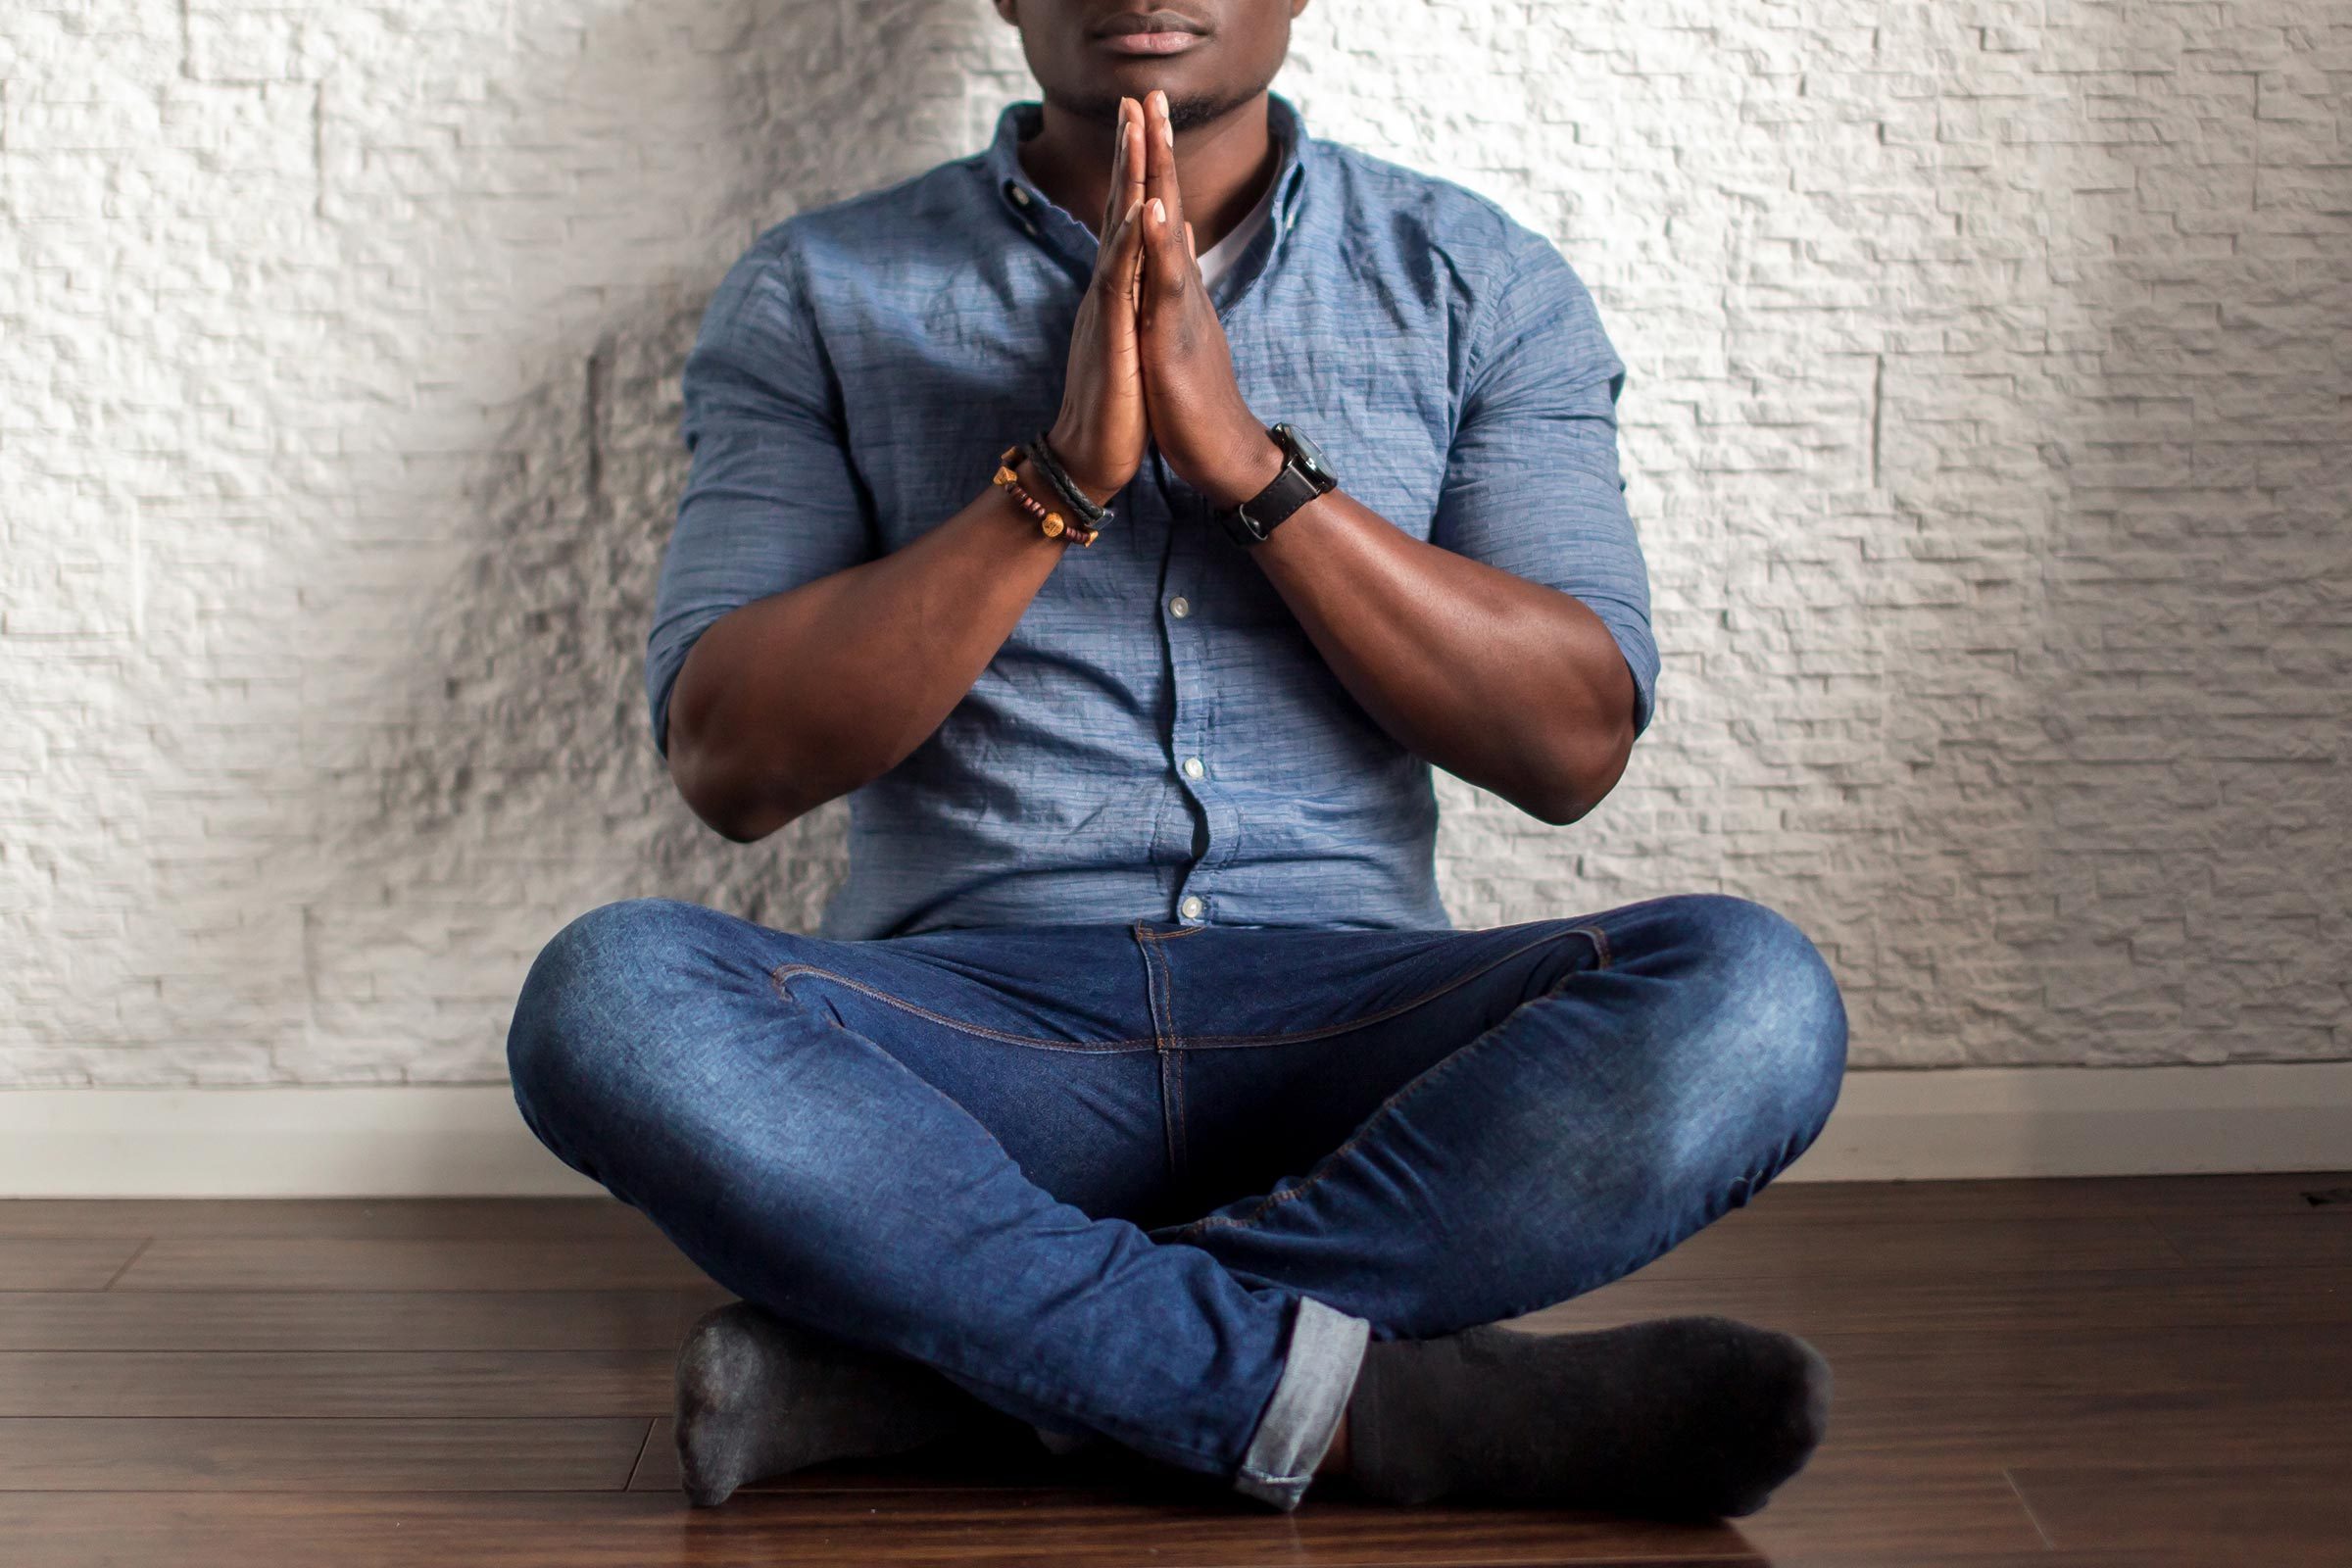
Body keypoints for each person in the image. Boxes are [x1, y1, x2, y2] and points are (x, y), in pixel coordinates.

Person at [506, 0, 1848, 1520]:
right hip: (967, 1051)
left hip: (1354, 1035)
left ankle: (958, 1380)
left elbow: (1570, 741)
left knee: (1753, 999)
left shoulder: (1475, 277)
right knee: (608, 998)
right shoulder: (818, 290)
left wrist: (1252, 471)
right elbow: (728, 760)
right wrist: (1058, 481)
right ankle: (1364, 1401)